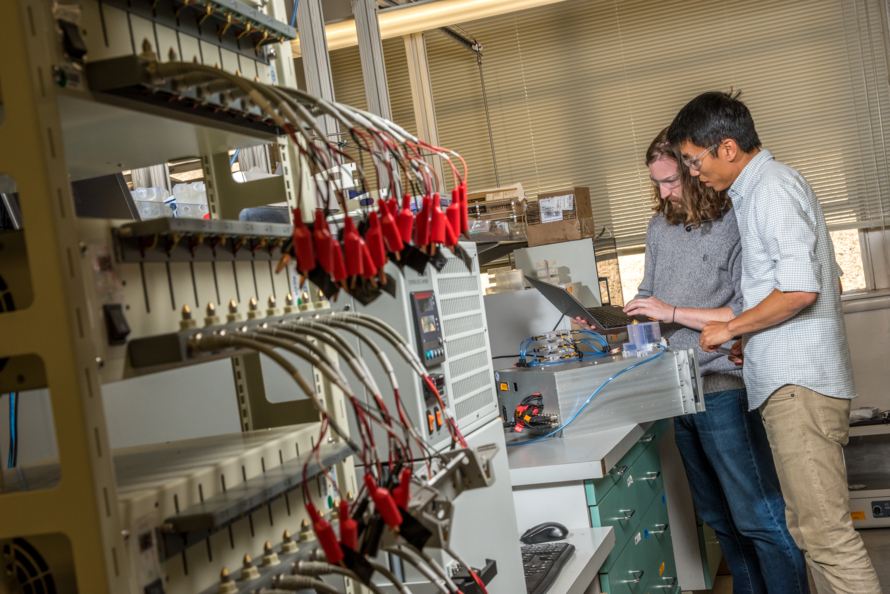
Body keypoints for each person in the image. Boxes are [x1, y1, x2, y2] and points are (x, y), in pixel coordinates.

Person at [577, 128, 809, 594]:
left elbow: (748, 309)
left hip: (725, 385)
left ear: (696, 172)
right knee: (720, 520)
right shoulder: (660, 227)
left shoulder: (736, 221)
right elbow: (650, 295)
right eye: (656, 183)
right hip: (677, 388)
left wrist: (672, 312)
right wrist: (615, 323)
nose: (662, 193)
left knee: (758, 517)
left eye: (670, 181)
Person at [668, 91, 881, 594]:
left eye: (695, 161)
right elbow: (798, 286)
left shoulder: (772, 188)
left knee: (827, 537)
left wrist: (732, 328)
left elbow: (802, 289)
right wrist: (752, 340)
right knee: (812, 531)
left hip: (798, 387)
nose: (693, 173)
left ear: (726, 147)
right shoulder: (758, 191)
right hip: (790, 381)